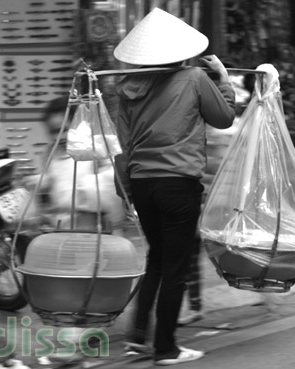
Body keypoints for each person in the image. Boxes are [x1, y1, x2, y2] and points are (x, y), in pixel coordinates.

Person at [112, 8, 235, 366]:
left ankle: (137, 338)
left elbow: (124, 144)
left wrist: (127, 191)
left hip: (143, 184)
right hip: (178, 184)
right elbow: (224, 118)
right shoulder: (195, 77)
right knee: (176, 267)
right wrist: (223, 78)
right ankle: (166, 348)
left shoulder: (126, 87)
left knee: (157, 260)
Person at [22, 96, 125, 234]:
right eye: (53, 132)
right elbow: (54, 180)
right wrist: (42, 182)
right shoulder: (51, 153)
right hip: (61, 228)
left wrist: (85, 189)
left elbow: (113, 186)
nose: (58, 137)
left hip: (94, 228)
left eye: (64, 130)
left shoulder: (95, 148)